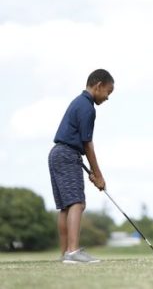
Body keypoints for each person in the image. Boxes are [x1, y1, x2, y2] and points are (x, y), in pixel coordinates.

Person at [48, 69, 114, 263]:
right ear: (98, 85)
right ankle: (73, 252)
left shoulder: (79, 102)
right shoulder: (87, 107)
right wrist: (98, 174)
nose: (107, 98)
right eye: (108, 92)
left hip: (58, 153)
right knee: (77, 203)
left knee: (66, 207)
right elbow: (87, 143)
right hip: (67, 154)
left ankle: (65, 253)